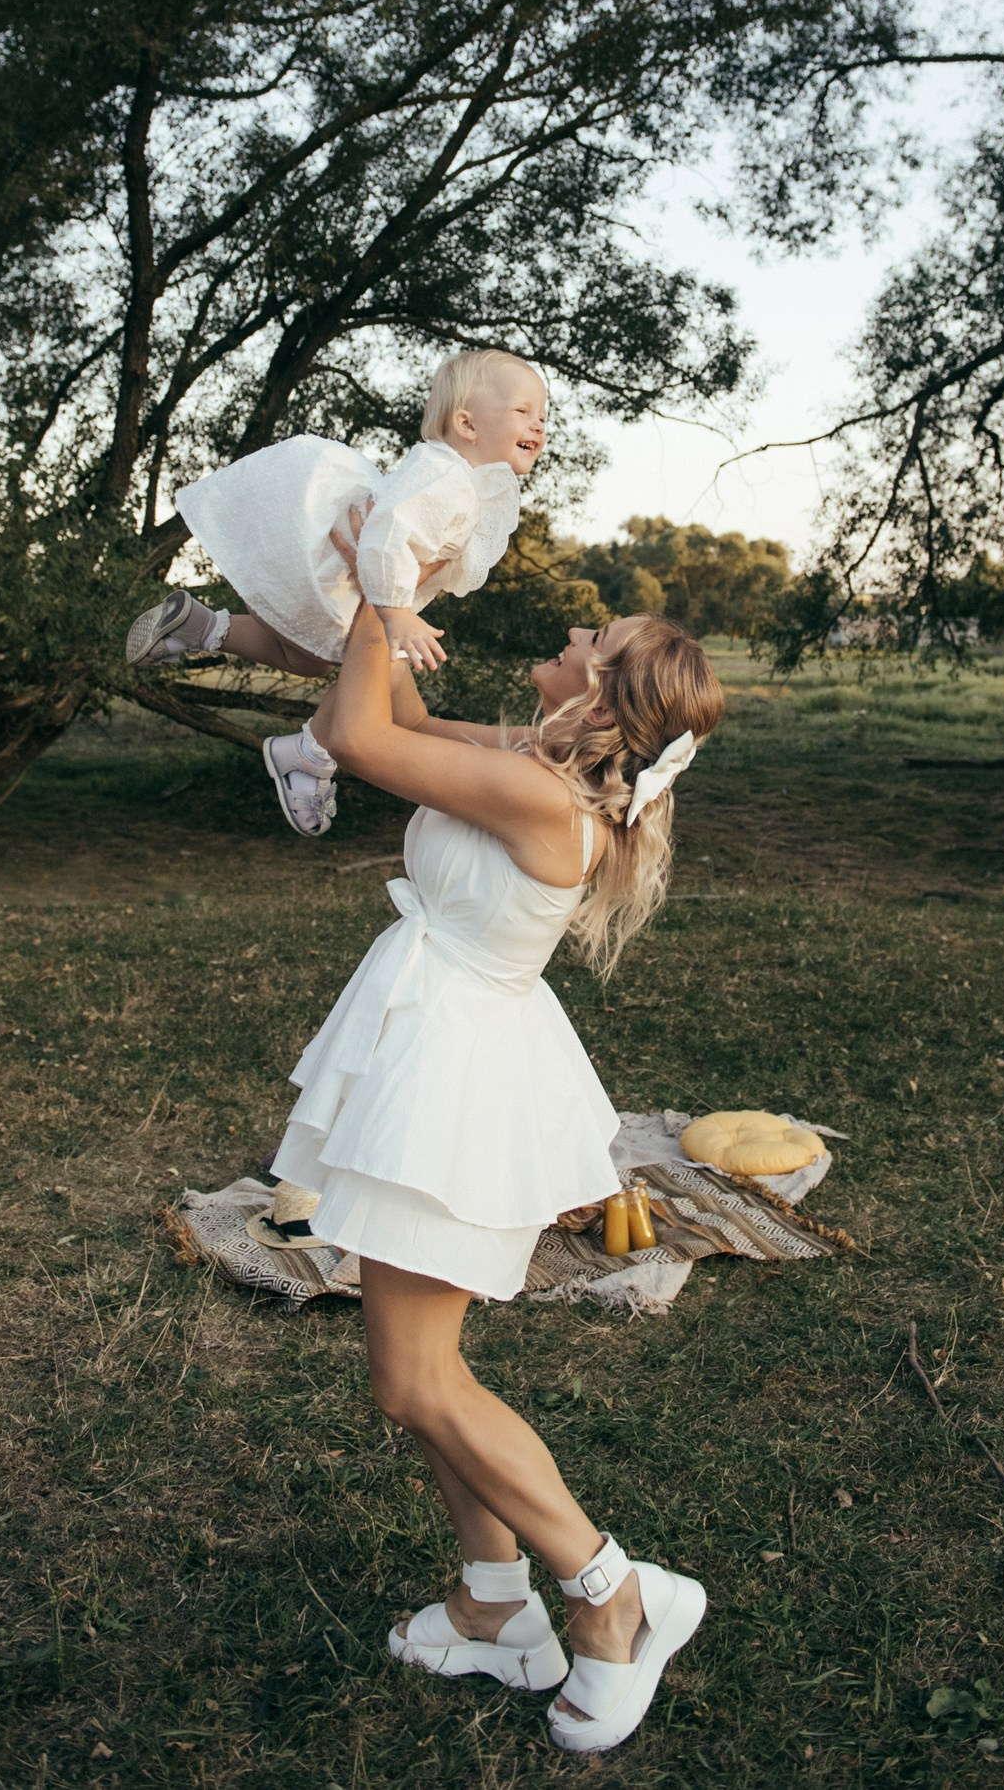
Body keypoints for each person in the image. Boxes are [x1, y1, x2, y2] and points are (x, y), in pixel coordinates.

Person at [269, 587, 724, 1754]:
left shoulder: (538, 794)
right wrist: (376, 585)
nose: (572, 635)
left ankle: (613, 1592)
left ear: (603, 693)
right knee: (423, 1373)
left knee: (413, 1384)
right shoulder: (529, 758)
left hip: (455, 1087)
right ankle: (493, 1602)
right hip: (431, 1052)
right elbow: (390, 713)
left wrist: (379, 582)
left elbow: (364, 743)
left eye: (593, 643)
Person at [123, 349, 547, 835]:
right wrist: (394, 614)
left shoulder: (458, 478)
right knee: (353, 661)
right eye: (523, 411)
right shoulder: (447, 479)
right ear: (467, 423)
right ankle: (307, 753)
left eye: (542, 416)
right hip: (351, 576)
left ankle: (204, 629)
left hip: (355, 578)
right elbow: (385, 536)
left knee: (317, 662)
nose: (537, 425)